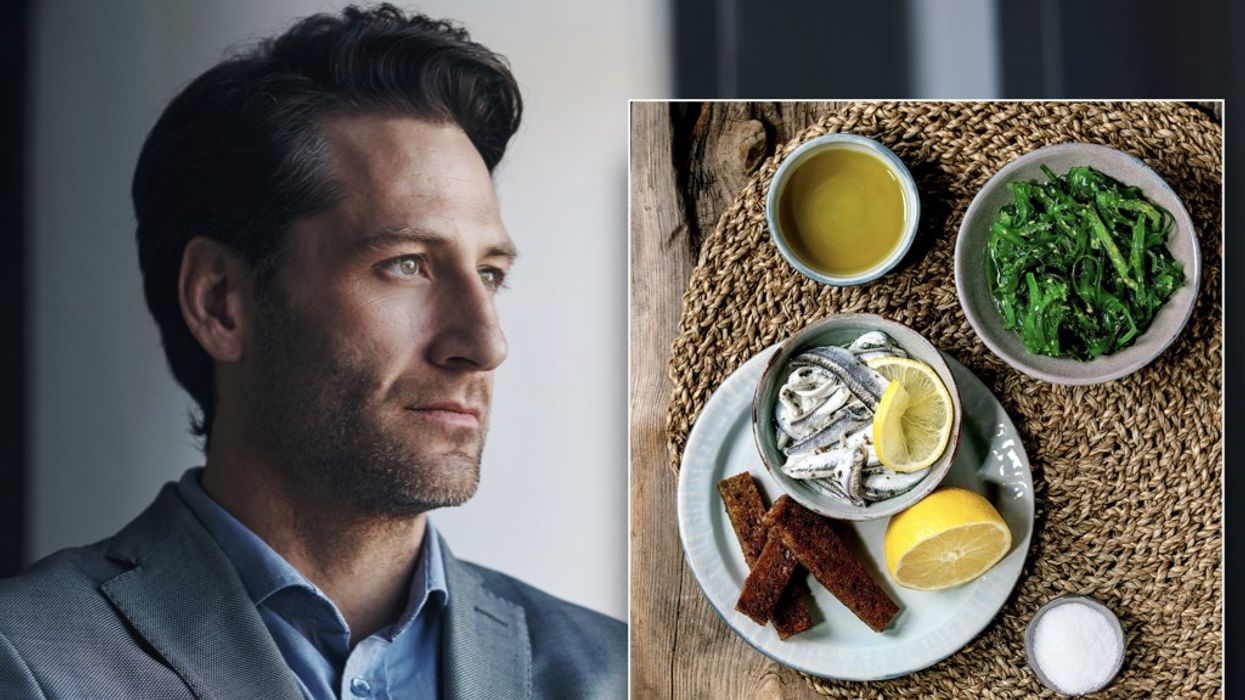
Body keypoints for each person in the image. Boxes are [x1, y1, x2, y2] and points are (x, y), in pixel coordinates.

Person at [0, 5, 625, 699]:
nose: (485, 344)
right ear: (220, 302)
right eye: (406, 264)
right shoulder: (28, 660)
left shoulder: (624, 672)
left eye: (489, 273)